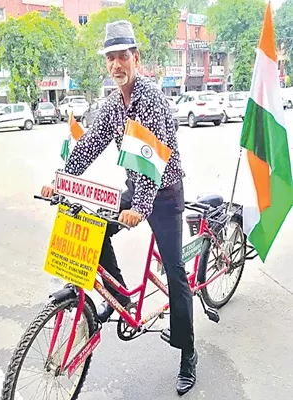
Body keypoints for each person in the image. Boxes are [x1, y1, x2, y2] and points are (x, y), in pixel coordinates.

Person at [41, 20, 197, 395]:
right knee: (92, 227)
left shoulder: (152, 99)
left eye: (122, 56)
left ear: (135, 58)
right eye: (110, 58)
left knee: (175, 272)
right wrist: (60, 181)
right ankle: (123, 296)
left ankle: (188, 353)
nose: (116, 65)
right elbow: (89, 144)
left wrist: (140, 209)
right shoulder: (112, 105)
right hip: (136, 190)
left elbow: (152, 158)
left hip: (165, 194)